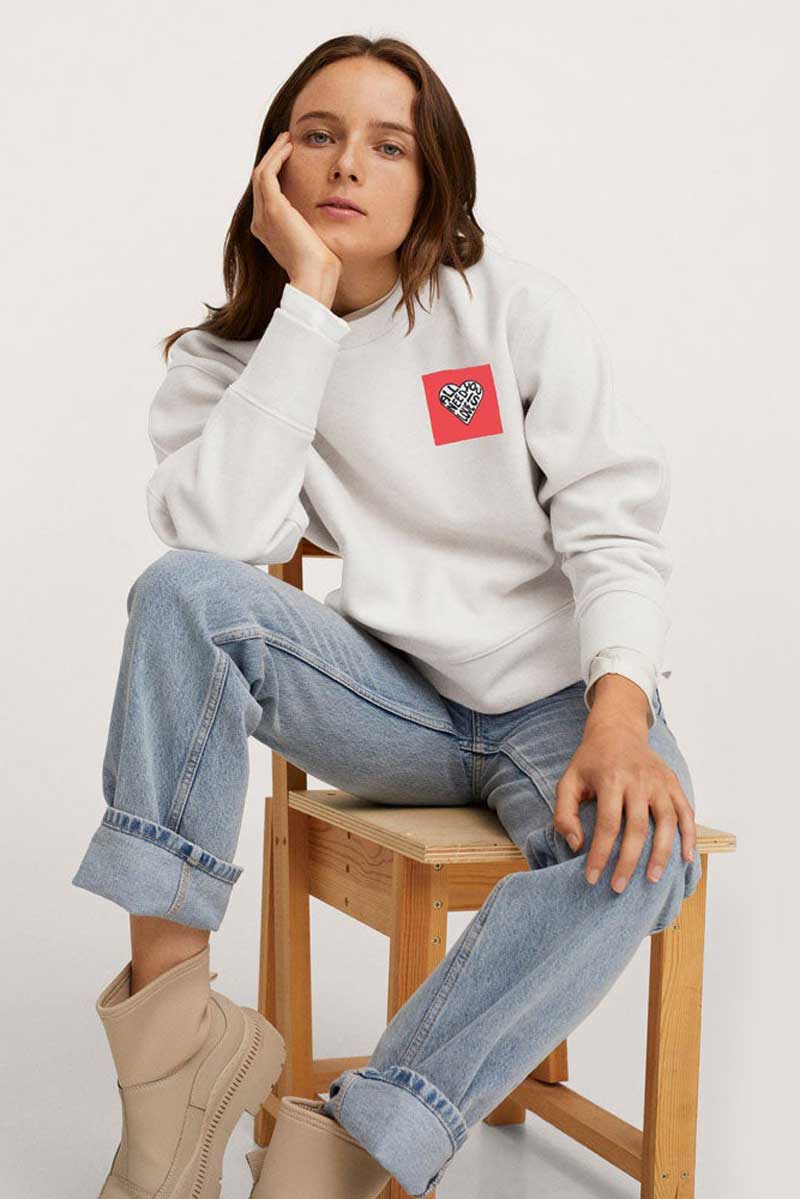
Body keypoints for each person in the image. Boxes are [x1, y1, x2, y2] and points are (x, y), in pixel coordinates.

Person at [71, 32, 702, 1199]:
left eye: (387, 145)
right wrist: (306, 303)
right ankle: (176, 1053)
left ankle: (358, 1140)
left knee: (642, 854)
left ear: (432, 179)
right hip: (394, 705)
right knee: (181, 595)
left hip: (560, 705)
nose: (347, 164)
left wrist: (620, 717)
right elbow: (219, 537)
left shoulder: (509, 310)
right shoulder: (229, 360)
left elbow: (612, 526)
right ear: (273, 169)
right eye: (317, 136)